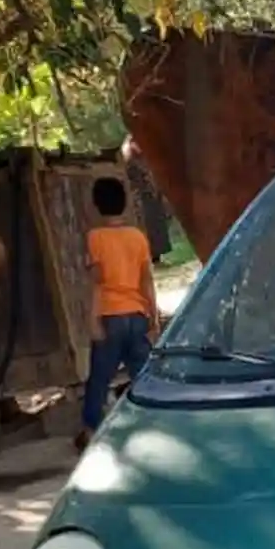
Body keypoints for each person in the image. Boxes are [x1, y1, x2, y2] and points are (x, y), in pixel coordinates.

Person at [79, 174, 157, 451]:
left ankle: (92, 431)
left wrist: (92, 319)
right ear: (124, 204)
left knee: (100, 379)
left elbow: (98, 282)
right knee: (145, 376)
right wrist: (153, 315)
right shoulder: (137, 237)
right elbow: (146, 278)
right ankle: (156, 425)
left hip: (110, 316)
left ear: (96, 206)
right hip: (136, 315)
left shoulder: (95, 238)